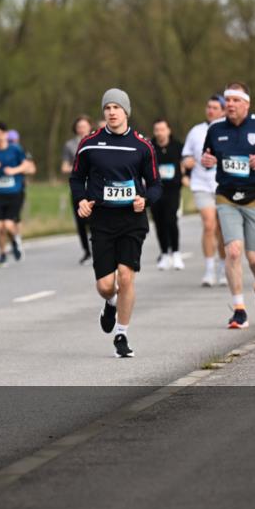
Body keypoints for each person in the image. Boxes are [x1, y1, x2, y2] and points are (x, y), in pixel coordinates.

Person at [71, 89, 160, 358]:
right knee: (105, 285)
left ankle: (122, 334)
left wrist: (145, 200)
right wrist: (82, 200)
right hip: (102, 221)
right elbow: (76, 179)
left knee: (126, 276)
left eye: (116, 107)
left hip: (132, 221)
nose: (111, 112)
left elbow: (155, 184)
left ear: (126, 111)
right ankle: (110, 302)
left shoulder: (142, 146)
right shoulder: (89, 144)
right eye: (107, 107)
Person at [200, 82, 255, 329]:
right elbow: (208, 158)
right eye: (228, 100)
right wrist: (206, 161)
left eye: (236, 100)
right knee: (234, 251)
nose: (230, 105)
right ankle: (239, 309)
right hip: (227, 197)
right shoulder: (216, 129)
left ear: (246, 104)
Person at [181, 94, 226, 286]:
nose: (210, 110)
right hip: (201, 184)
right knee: (209, 225)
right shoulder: (196, 131)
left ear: (223, 110)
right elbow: (186, 157)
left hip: (224, 185)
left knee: (223, 229)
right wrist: (188, 161)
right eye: (209, 107)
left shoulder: (229, 131)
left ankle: (224, 267)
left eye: (215, 107)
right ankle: (209, 270)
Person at [0, 122, 29, 268]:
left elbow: (25, 166)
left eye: (0, 134)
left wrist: (14, 171)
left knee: (9, 225)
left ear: (5, 134)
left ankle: (15, 241)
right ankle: (2, 254)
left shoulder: (15, 149)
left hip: (14, 192)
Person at [150, 119, 184, 271]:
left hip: (173, 189)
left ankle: (176, 253)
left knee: (171, 219)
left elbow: (188, 161)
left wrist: (187, 175)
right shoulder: (149, 147)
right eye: (157, 130)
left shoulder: (178, 146)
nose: (159, 133)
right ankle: (164, 253)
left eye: (162, 129)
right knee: (158, 222)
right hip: (155, 189)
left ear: (168, 130)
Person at [61, 115, 94, 264]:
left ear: (89, 127)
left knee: (95, 220)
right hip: (78, 187)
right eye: (79, 126)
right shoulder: (70, 145)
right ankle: (87, 252)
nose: (81, 129)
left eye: (84, 126)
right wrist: (78, 168)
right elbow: (64, 167)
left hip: (94, 188)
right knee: (81, 221)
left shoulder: (97, 141)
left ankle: (98, 249)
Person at [5, 129, 36, 257]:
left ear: (17, 140)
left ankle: (17, 238)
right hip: (3, 190)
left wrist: (19, 170)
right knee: (3, 219)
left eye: (13, 140)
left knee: (15, 217)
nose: (11, 143)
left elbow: (32, 169)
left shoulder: (22, 152)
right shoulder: (3, 152)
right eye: (9, 141)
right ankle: (12, 239)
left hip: (18, 188)